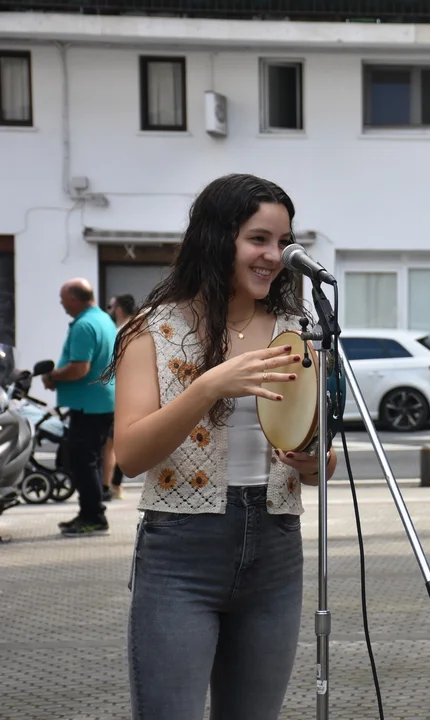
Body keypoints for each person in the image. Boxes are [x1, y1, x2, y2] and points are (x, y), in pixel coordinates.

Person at [105, 174, 338, 720]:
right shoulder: (151, 331)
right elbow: (131, 456)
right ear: (216, 238)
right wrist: (208, 386)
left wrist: (313, 461)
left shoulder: (299, 330)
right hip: (181, 550)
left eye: (283, 242)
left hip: (276, 545)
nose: (275, 256)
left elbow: (318, 463)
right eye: (259, 239)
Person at [45, 278, 118, 537]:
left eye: (63, 299)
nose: (62, 304)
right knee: (90, 461)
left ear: (74, 299)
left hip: (89, 406)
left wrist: (52, 377)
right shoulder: (104, 320)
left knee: (82, 462)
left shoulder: (85, 325)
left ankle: (93, 517)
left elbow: (79, 368)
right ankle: (90, 512)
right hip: (101, 402)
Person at [101, 294, 137, 501]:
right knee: (122, 440)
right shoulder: (141, 327)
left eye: (110, 307)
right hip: (136, 393)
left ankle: (109, 485)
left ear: (119, 309)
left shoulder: (118, 333)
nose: (109, 311)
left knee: (111, 443)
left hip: (120, 393)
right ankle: (116, 484)